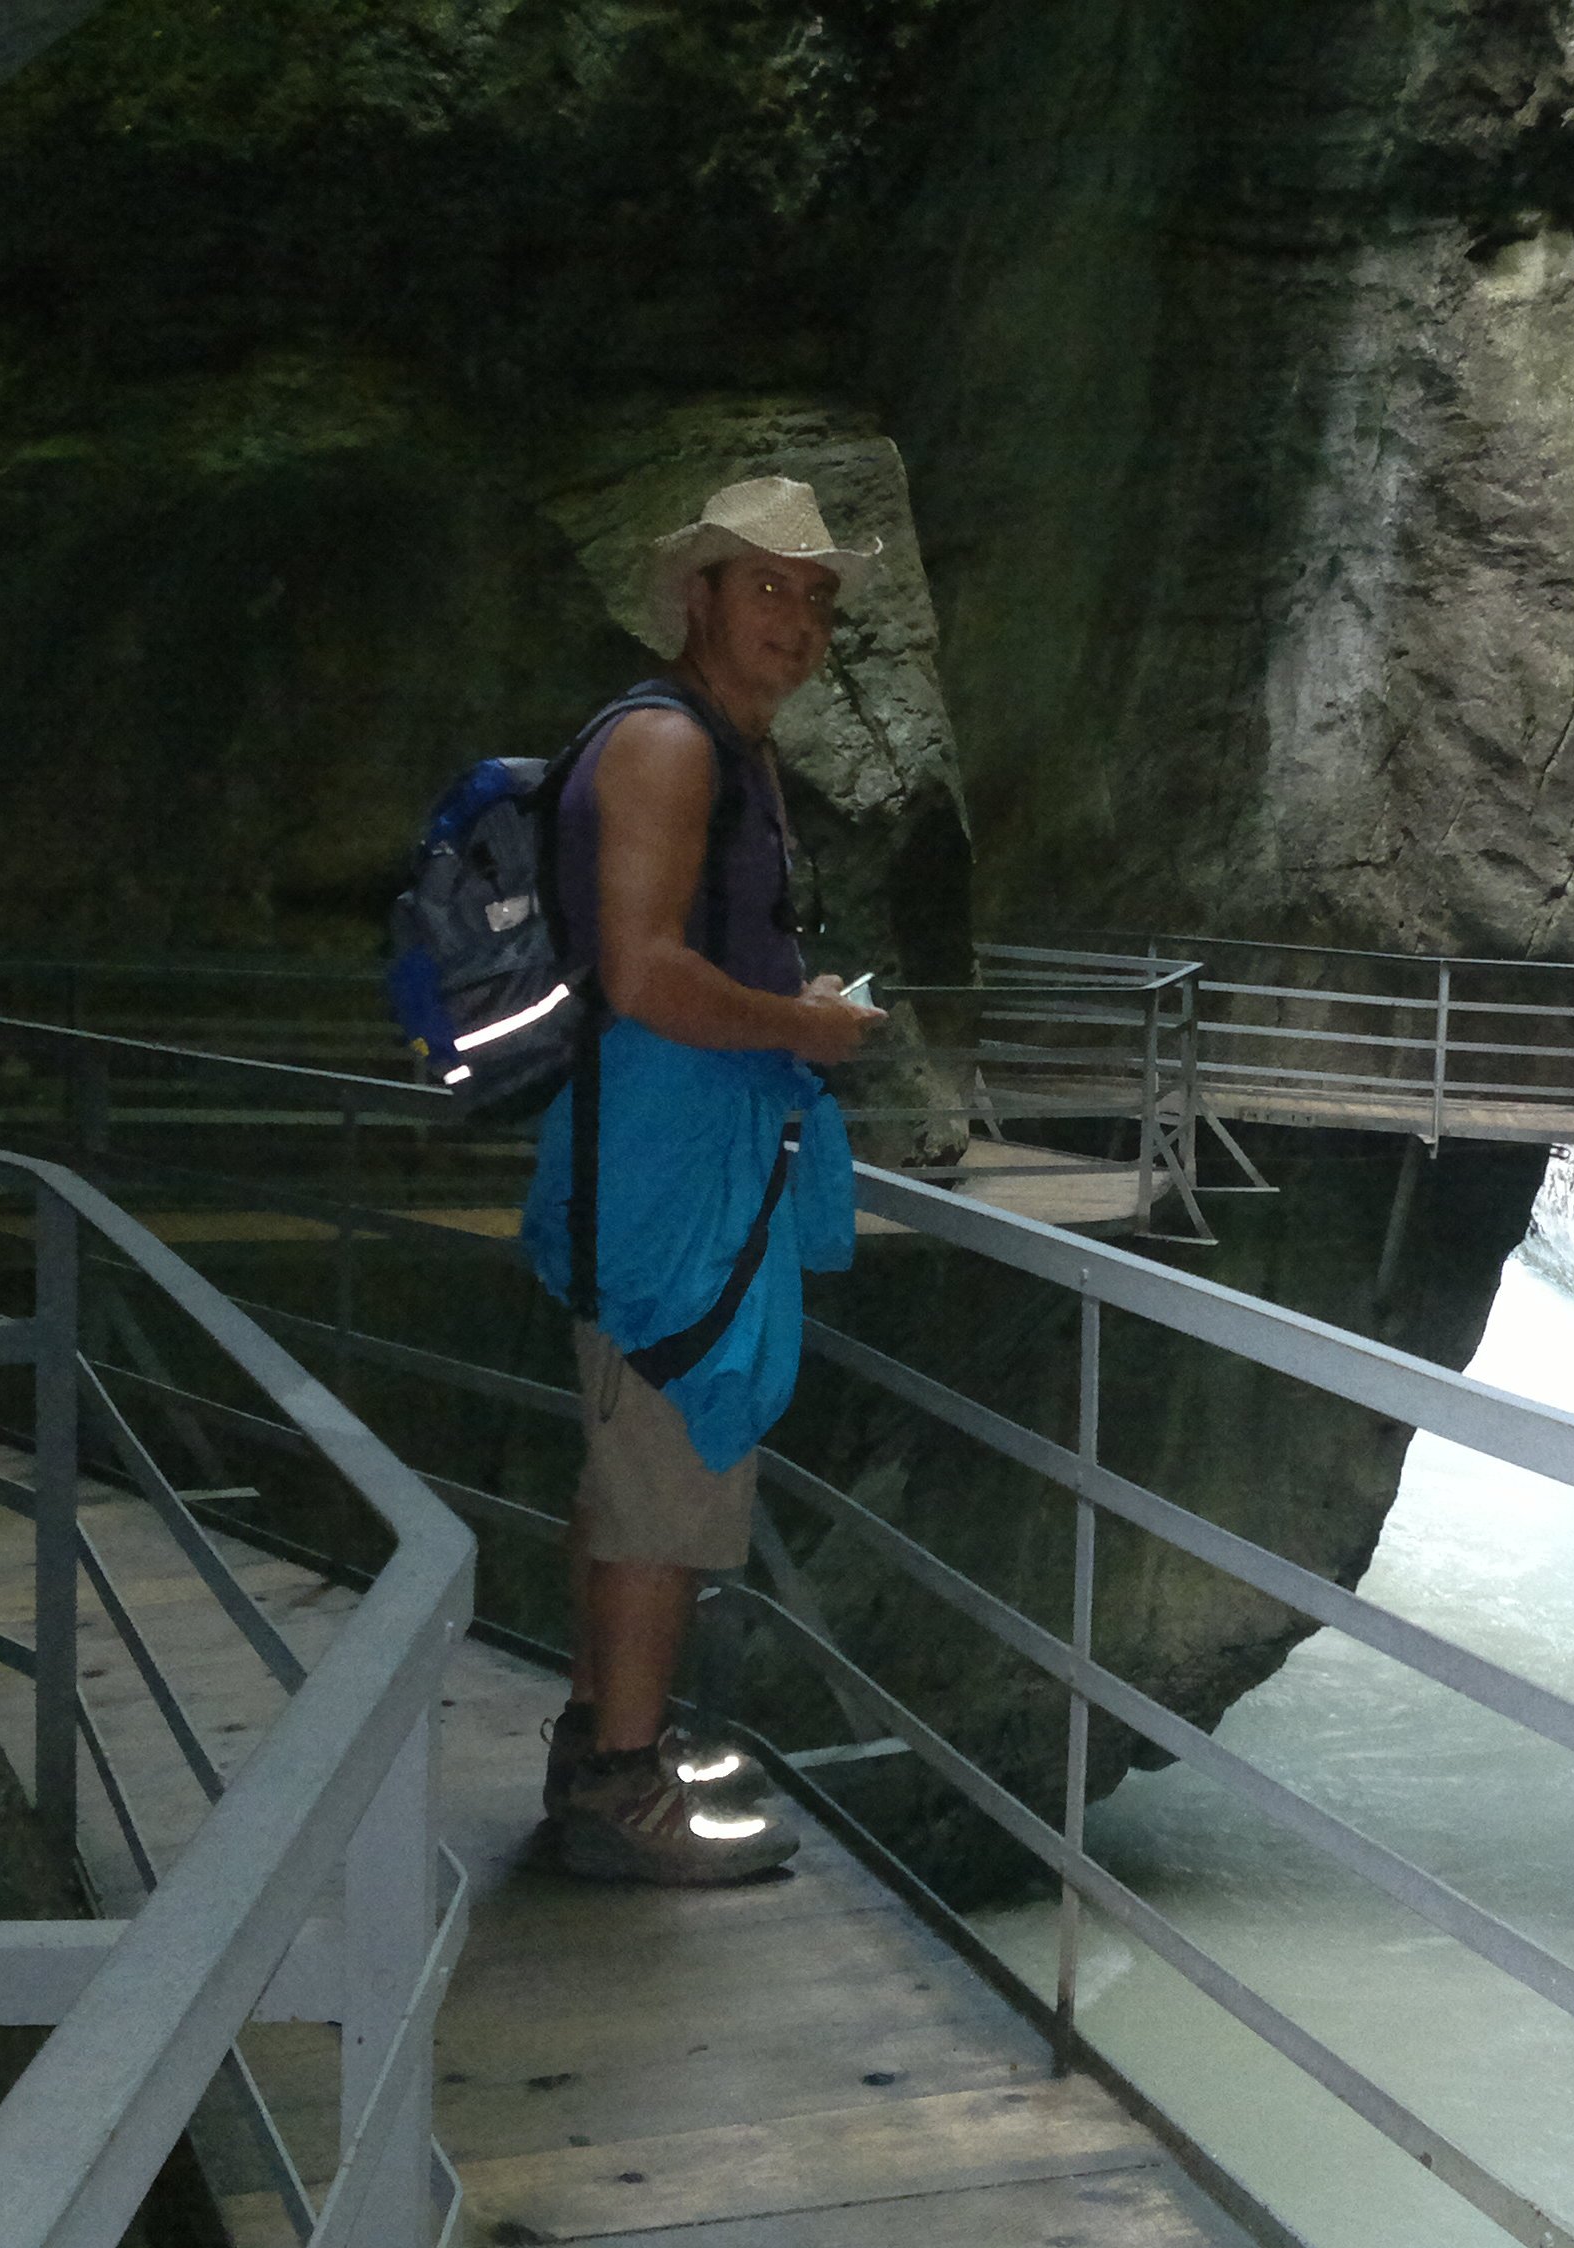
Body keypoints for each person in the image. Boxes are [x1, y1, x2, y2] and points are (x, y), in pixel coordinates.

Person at [522, 476, 888, 1884]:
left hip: (675, 1154)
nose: (797, 619)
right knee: (659, 1486)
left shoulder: (719, 744)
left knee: (642, 1472)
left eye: (816, 597)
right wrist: (809, 1027)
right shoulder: (672, 746)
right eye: (767, 587)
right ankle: (620, 1798)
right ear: (701, 596)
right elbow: (644, 973)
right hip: (665, 1172)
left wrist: (790, 1003)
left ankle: (612, 1746)